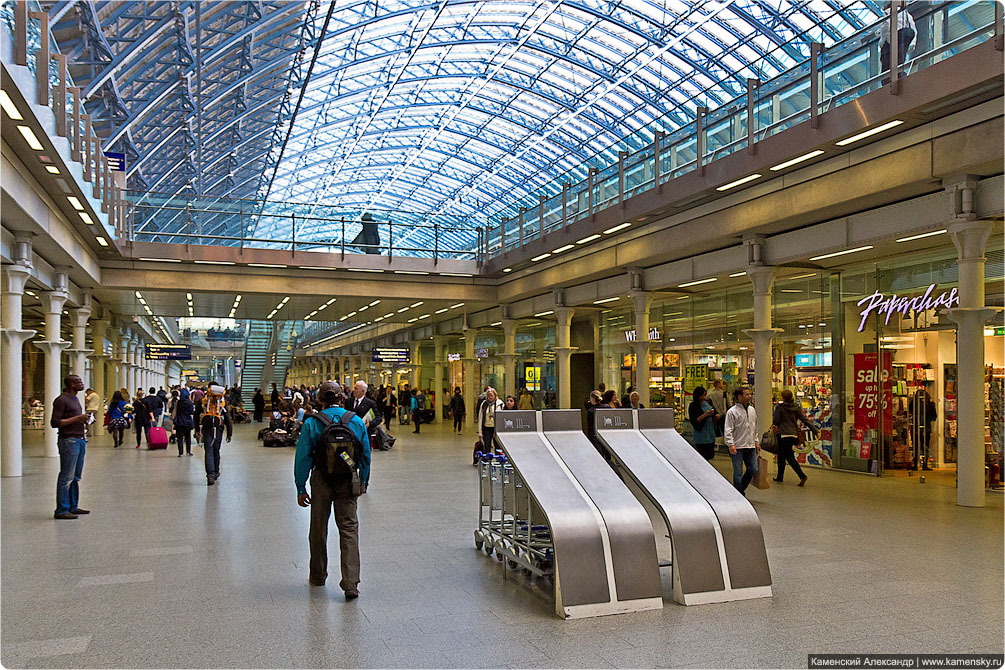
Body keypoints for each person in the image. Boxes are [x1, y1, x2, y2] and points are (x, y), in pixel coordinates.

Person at [294, 381, 370, 598]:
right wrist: (363, 480)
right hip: (347, 479)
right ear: (341, 397)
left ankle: (318, 575)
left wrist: (301, 487)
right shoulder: (355, 421)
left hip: (321, 480)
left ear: (320, 399)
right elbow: (365, 455)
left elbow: (303, 457)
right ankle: (351, 583)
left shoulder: (312, 423)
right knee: (349, 529)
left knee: (318, 527)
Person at [51, 375, 91, 520]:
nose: (82, 384)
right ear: (72, 385)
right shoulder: (62, 400)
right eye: (79, 382)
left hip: (80, 439)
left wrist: (84, 419)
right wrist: (77, 418)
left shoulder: (75, 399)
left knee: (75, 476)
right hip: (69, 440)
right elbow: (55, 422)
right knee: (66, 476)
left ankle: (73, 506)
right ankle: (62, 509)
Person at [771, 389, 817, 485]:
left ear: (783, 397)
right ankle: (780, 476)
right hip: (793, 434)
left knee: (788, 456)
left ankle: (802, 476)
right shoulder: (796, 407)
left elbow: (776, 421)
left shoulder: (780, 407)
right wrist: (813, 429)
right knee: (781, 456)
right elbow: (804, 420)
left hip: (783, 434)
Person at [724, 387, 759, 495]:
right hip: (737, 446)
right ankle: (739, 493)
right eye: (747, 394)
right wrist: (731, 444)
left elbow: (755, 426)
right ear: (739, 397)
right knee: (738, 472)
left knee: (753, 469)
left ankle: (739, 489)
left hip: (750, 445)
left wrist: (756, 441)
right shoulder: (732, 412)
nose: (749, 396)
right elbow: (728, 429)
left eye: (750, 394)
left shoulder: (752, 410)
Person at [346, 381, 396, 449]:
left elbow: (378, 418)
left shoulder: (370, 403)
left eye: (356, 388)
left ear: (363, 391)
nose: (353, 390)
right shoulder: (348, 401)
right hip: (350, 433)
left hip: (364, 435)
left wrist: (370, 424)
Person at [199, 385, 232, 486]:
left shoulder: (203, 400)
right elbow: (227, 417)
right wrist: (229, 432)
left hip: (206, 427)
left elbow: (196, 414)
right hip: (219, 427)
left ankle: (210, 474)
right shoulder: (222, 401)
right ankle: (216, 471)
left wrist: (197, 429)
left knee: (208, 450)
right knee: (216, 450)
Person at [879, 4, 917, 83]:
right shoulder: (906, 14)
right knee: (900, 57)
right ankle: (900, 74)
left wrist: (882, 40)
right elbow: (913, 28)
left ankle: (887, 79)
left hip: (893, 38)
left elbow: (886, 26)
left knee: (888, 61)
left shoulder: (888, 12)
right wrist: (913, 42)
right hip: (905, 37)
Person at [475, 387, 504, 465]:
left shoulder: (499, 404)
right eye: (489, 396)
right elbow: (480, 417)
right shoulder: (484, 404)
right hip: (486, 428)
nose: (490, 397)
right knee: (487, 446)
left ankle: (499, 462)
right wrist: (480, 433)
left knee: (497, 446)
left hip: (495, 428)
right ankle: (487, 462)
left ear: (495, 395)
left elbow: (501, 417)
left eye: (492, 395)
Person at [688, 386, 717, 460]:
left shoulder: (708, 402)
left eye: (704, 395)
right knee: (702, 456)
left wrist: (715, 415)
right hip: (700, 434)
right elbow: (694, 421)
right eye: (701, 395)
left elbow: (715, 412)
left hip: (710, 433)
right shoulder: (693, 406)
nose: (703, 397)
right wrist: (704, 415)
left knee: (710, 455)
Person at [912, 389, 937, 471]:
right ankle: (924, 464)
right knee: (924, 446)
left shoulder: (914, 403)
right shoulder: (929, 404)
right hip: (925, 428)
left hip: (917, 427)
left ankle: (916, 464)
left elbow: (910, 412)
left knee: (917, 446)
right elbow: (934, 417)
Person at [173, 388, 195, 457]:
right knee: (188, 437)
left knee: (180, 438)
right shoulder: (189, 403)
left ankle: (180, 453)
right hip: (187, 422)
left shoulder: (178, 403)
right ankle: (188, 451)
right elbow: (192, 412)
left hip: (179, 422)